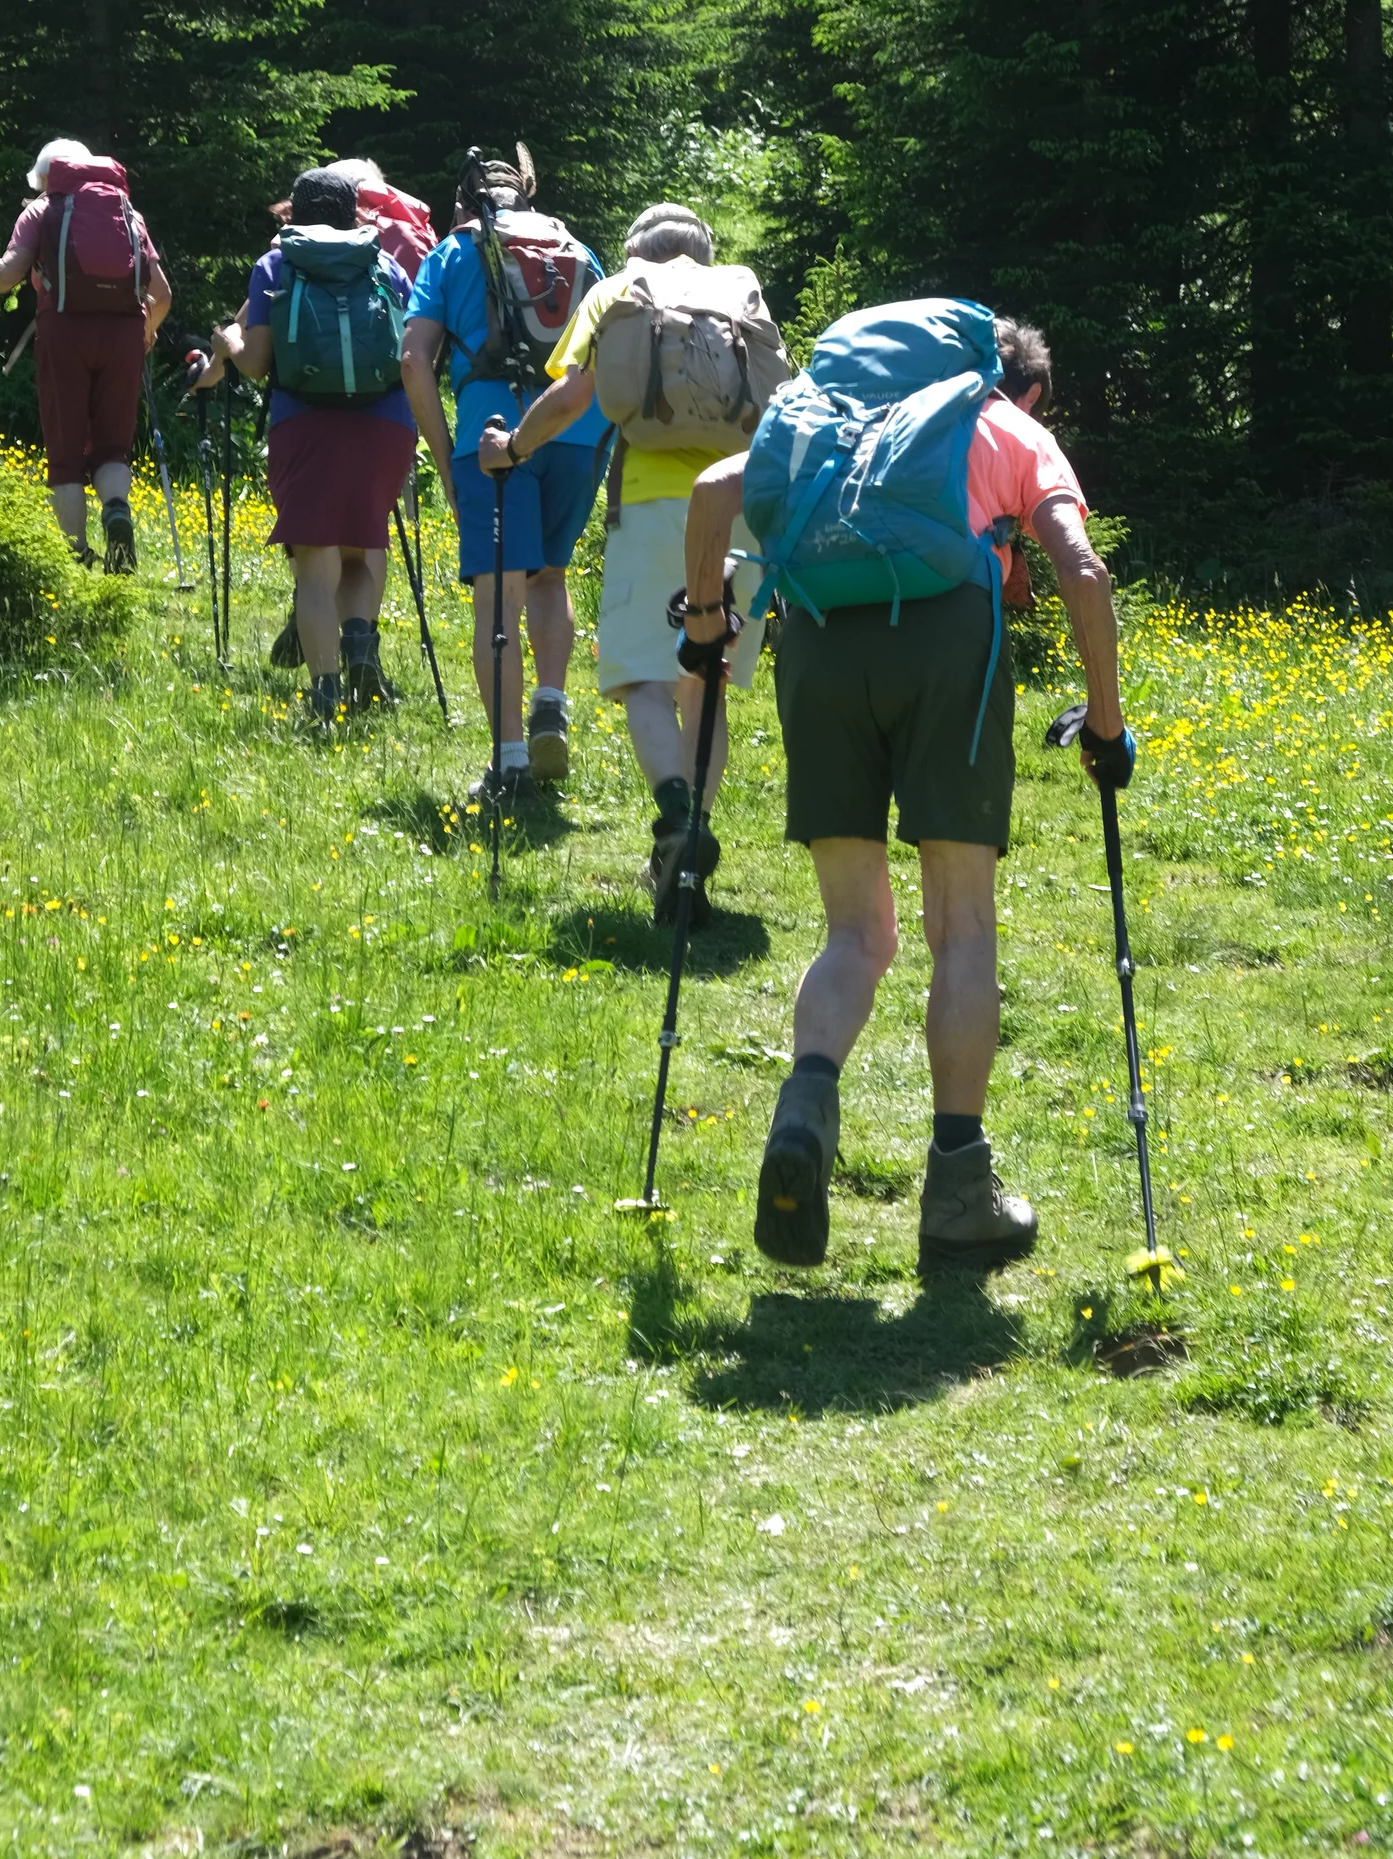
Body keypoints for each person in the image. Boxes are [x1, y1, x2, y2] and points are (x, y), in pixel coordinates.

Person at [680, 314, 1131, 1274]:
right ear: (1009, 380)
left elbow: (714, 488)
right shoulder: (1004, 426)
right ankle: (959, 1189)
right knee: (961, 928)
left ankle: (805, 1107)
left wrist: (708, 626)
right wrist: (1104, 724)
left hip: (820, 644)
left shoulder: (833, 423)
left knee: (856, 931)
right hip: (945, 647)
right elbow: (1081, 569)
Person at [476, 201, 772, 919]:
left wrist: (513, 448)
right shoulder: (741, 291)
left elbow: (573, 396)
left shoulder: (618, 290)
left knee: (645, 679)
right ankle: (690, 846)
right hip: (740, 511)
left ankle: (677, 821)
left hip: (650, 510)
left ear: (636, 251)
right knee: (705, 681)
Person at [401, 159, 610, 793]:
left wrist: (445, 457)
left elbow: (413, 359)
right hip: (577, 433)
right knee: (551, 573)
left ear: (465, 205)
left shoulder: (451, 252)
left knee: (498, 595)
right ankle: (551, 701)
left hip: (490, 434)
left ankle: (510, 761)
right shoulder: (577, 250)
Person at [193, 165, 418, 725]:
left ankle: (325, 695)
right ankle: (360, 648)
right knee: (362, 550)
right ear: (353, 213)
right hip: (385, 425)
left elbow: (255, 363)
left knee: (316, 568)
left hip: (305, 423)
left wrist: (227, 341)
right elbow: (410, 351)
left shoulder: (276, 264)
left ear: (294, 211)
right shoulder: (386, 264)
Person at [0, 140, 170, 571]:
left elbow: (8, 273)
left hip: (64, 333)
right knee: (112, 447)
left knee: (66, 452)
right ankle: (116, 510)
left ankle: (76, 555)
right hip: (123, 336)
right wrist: (146, 332)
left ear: (45, 177)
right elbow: (162, 294)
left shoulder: (42, 211)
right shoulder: (127, 213)